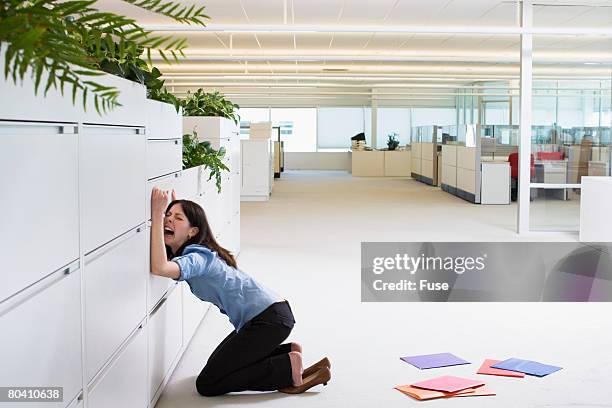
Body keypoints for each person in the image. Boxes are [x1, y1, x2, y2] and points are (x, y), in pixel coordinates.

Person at [149, 187, 331, 396]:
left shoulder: (197, 258)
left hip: (267, 321)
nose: (168, 220)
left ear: (193, 231)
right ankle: (287, 353)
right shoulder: (199, 252)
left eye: (177, 218)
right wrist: (172, 212)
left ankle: (287, 368)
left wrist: (157, 214)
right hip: (269, 316)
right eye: (167, 215)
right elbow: (167, 258)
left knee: (207, 384)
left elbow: (160, 267)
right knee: (219, 368)